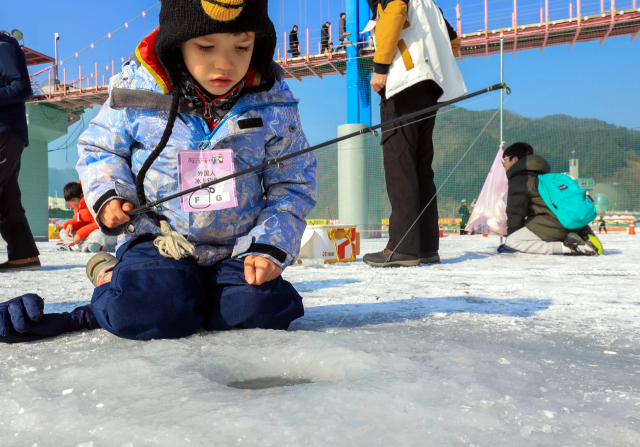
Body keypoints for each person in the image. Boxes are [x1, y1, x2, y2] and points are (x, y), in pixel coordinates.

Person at [0, 0, 317, 343]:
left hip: (238, 247)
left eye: (242, 46)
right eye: (206, 46)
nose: (225, 63)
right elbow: (100, 149)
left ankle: (190, 295)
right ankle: (111, 273)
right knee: (148, 307)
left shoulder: (272, 99)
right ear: (176, 43)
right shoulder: (136, 88)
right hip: (159, 240)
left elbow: (293, 181)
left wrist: (270, 245)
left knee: (261, 309)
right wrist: (109, 196)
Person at [362, 0, 466, 267]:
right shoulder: (430, 5)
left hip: (403, 84)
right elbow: (453, 41)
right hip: (429, 87)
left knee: (400, 163)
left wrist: (381, 67)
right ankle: (427, 247)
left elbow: (395, 9)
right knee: (421, 166)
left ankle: (403, 246)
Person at [498, 143, 602, 256]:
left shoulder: (520, 179)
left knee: (512, 242)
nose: (503, 164)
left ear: (515, 159)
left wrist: (512, 238)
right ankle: (582, 234)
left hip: (554, 225)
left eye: (505, 159)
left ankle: (568, 246)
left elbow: (516, 213)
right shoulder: (544, 176)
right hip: (572, 222)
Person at [0, 30, 41, 273]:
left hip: (4, 131)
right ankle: (23, 255)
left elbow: (22, 87)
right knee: (6, 197)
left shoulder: (3, 46)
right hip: (7, 131)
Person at [57, 182, 117, 253]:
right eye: (70, 202)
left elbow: (100, 223)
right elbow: (80, 222)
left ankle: (80, 246)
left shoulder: (94, 201)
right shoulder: (76, 207)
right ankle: (90, 246)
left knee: (98, 235)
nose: (73, 204)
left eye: (74, 200)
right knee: (63, 233)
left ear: (81, 195)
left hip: (106, 231)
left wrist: (80, 234)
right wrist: (71, 224)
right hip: (88, 233)